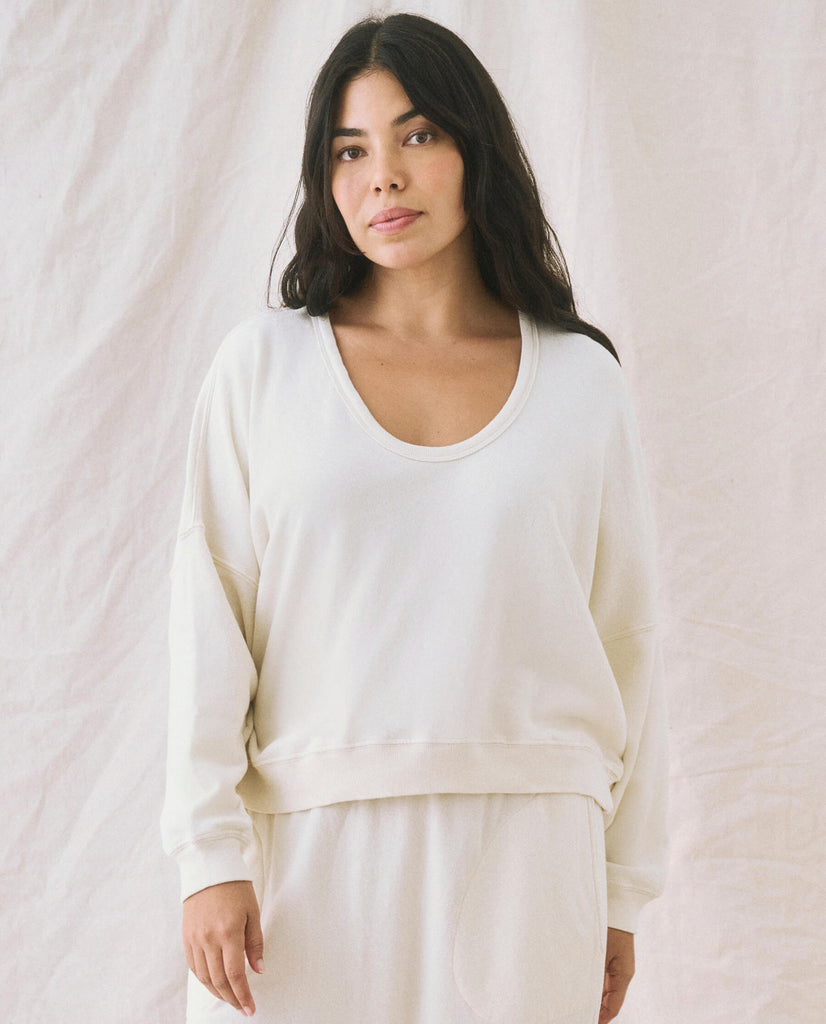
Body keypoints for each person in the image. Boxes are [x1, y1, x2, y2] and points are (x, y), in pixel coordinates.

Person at [161, 13, 668, 1024]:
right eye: (348, 151)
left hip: (529, 855)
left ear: (476, 151)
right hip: (306, 858)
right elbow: (207, 617)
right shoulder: (263, 368)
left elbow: (630, 642)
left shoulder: (581, 383)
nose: (383, 177)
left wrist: (620, 891)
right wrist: (208, 854)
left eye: (417, 134)